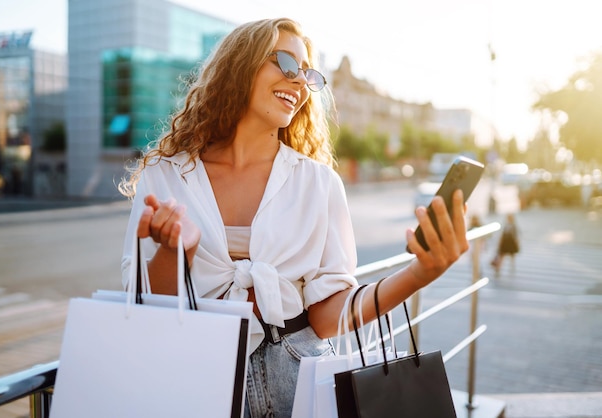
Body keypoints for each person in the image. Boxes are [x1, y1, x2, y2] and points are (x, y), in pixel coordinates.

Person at [119, 17, 469, 418]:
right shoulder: (164, 175)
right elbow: (146, 308)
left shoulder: (319, 183)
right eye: (286, 64)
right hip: (193, 379)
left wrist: (418, 274)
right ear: (239, 65)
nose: (300, 82)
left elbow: (324, 317)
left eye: (307, 74)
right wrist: (175, 253)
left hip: (300, 383)